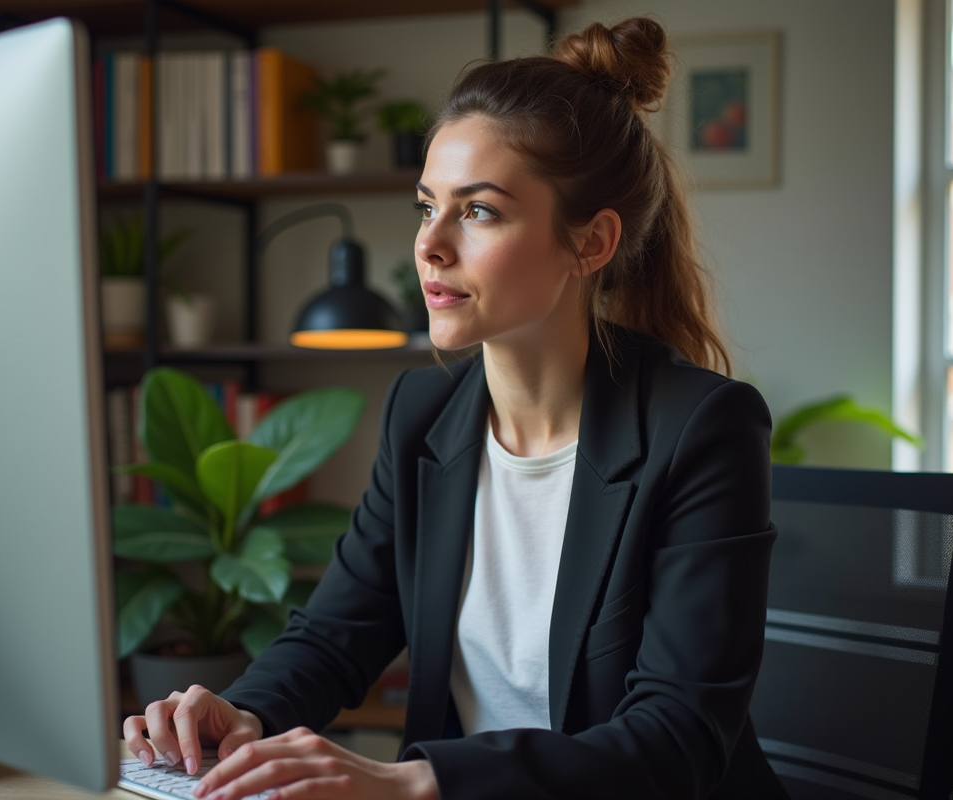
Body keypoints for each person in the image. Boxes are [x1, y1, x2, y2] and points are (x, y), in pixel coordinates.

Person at [123, 17, 790, 800]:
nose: (429, 245)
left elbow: (675, 741)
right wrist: (237, 712)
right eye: (425, 204)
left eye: (478, 211)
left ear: (592, 243)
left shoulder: (701, 428)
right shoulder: (424, 412)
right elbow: (339, 633)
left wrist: (415, 783)